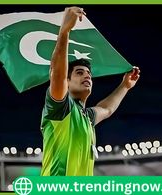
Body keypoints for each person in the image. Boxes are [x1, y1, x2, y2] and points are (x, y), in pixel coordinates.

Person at [40, 6, 140, 176]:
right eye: (79, 73)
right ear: (67, 81)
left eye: (88, 74)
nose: (87, 76)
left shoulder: (87, 117)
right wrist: (64, 32)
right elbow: (56, 75)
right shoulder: (60, 109)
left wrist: (125, 86)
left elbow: (107, 109)